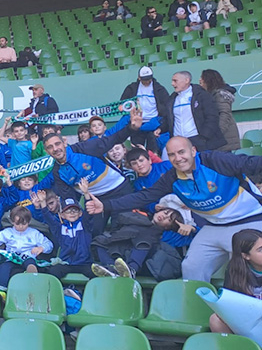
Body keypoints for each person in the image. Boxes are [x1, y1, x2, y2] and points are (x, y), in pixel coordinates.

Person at [86, 136, 262, 282]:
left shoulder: (214, 161)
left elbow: (251, 163)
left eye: (181, 152)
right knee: (191, 267)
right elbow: (144, 196)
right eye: (171, 155)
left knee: (242, 272)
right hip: (214, 226)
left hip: (249, 220)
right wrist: (106, 205)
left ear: (193, 151)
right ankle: (197, 314)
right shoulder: (172, 177)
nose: (178, 158)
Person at [0, 205, 53, 290]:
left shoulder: (34, 233)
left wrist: (41, 248)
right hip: (11, 257)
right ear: (12, 222)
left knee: (30, 263)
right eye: (17, 223)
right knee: (3, 267)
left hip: (27, 256)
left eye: (24, 223)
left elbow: (49, 244)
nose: (21, 226)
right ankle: (2, 289)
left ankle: (33, 281)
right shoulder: (7, 232)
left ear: (29, 221)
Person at [158, 71, 226, 152]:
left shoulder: (202, 95)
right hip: (179, 142)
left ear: (187, 80)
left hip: (199, 141)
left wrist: (204, 136)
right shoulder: (172, 99)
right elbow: (168, 119)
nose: (172, 84)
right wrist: (161, 129)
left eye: (175, 81)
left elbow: (212, 117)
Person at [209, 229, 262, 334]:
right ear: (245, 256)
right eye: (260, 250)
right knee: (215, 319)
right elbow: (231, 304)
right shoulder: (234, 271)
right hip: (250, 320)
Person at [120, 66, 170, 151]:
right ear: (139, 78)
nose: (147, 81)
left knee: (153, 151)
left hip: (153, 123)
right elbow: (123, 103)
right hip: (137, 124)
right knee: (136, 150)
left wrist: (161, 127)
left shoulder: (159, 89)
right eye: (144, 79)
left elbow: (167, 108)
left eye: (149, 79)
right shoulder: (132, 88)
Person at [200, 69, 240, 152]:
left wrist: (217, 134)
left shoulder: (219, 95)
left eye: (202, 78)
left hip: (224, 140)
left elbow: (225, 114)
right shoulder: (212, 95)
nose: (200, 80)